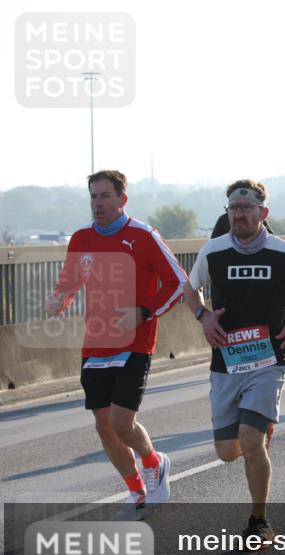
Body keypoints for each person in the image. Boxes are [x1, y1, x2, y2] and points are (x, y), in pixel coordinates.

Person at [184, 179, 285, 544]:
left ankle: (258, 521)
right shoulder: (214, 251)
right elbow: (190, 291)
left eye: (246, 208)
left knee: (251, 439)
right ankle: (258, 432)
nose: (238, 214)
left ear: (262, 213)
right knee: (226, 452)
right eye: (233, 208)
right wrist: (203, 317)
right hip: (226, 362)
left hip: (269, 360)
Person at [45, 170, 186, 519]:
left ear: (122, 199)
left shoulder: (143, 236)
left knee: (123, 423)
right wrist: (57, 301)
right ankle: (137, 490)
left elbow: (178, 282)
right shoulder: (80, 239)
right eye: (93, 197)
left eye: (105, 196)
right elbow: (69, 282)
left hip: (135, 343)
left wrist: (144, 311)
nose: (98, 203)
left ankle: (155, 463)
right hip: (95, 345)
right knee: (104, 426)